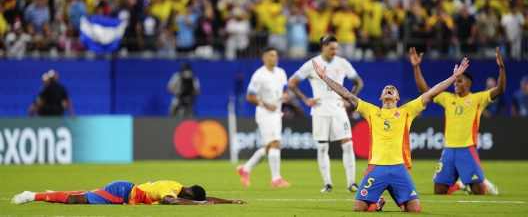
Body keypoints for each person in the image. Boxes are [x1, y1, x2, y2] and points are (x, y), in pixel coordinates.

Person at [311, 56, 470, 212]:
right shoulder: (371, 111)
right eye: (386, 88)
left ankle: (398, 198)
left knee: (415, 209)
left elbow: (431, 93)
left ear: (398, 98)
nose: (389, 89)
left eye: (392, 89)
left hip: (398, 168)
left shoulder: (407, 111)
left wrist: (454, 77)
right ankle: (378, 202)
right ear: (381, 97)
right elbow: (346, 94)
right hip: (376, 167)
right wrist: (325, 78)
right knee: (359, 208)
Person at [409, 46, 504, 195]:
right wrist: (416, 67)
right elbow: (424, 90)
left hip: (467, 147)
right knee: (439, 191)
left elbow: (500, 89)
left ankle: (486, 184)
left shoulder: (477, 98)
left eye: (459, 81)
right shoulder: (447, 98)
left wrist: (502, 69)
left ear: (468, 84)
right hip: (448, 148)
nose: (456, 84)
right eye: (455, 81)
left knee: (479, 191)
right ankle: (460, 185)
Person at [287, 35, 364, 193]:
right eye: (331, 49)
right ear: (323, 47)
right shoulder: (312, 64)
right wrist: (305, 99)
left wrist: (349, 101)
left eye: (336, 48)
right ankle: (327, 183)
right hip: (320, 110)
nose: (334, 51)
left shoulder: (343, 63)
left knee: (348, 145)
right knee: (322, 148)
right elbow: (291, 83)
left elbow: (359, 82)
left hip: (338, 110)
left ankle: (351, 183)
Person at [236, 47, 291, 188]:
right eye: (272, 55)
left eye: (276, 55)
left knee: (269, 147)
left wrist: (286, 95)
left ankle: (245, 169)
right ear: (265, 58)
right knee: (276, 144)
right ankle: (276, 179)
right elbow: (250, 96)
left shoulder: (281, 72)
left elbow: (286, 89)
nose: (275, 58)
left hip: (277, 113)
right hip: (265, 114)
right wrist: (266, 105)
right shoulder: (259, 75)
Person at [11, 180, 246, 205]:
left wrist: (229, 201)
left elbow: (203, 198)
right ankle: (32, 195)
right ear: (188, 195)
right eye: (192, 200)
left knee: (86, 193)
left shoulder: (179, 187)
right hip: (123, 193)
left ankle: (49, 192)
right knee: (76, 201)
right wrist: (198, 206)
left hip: (126, 190)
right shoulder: (169, 190)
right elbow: (170, 201)